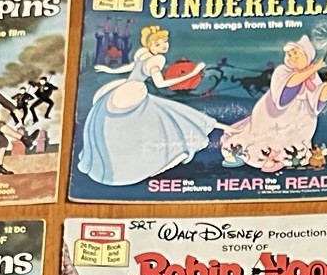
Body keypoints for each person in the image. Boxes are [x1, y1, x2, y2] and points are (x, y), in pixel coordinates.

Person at [76, 24, 222, 186]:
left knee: (134, 122)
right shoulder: (156, 59)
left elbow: (133, 68)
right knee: (156, 120)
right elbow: (160, 83)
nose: (164, 46)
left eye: (165, 41)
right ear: (150, 45)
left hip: (125, 88)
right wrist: (192, 73)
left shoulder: (143, 53)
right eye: (158, 44)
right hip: (133, 93)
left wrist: (109, 70)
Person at [219, 35, 327, 173]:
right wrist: (313, 68)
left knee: (292, 137)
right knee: (261, 133)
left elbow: (319, 98)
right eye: (290, 55)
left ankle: (281, 159)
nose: (293, 57)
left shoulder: (313, 76)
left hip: (300, 114)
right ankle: (244, 154)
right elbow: (290, 86)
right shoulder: (283, 70)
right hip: (275, 112)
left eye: (296, 54)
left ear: (307, 55)